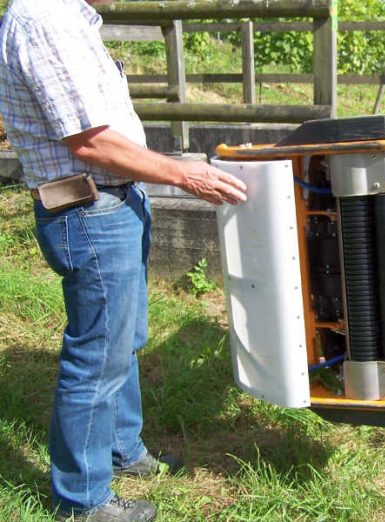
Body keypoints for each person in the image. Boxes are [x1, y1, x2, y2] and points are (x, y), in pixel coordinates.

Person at [0, 0, 247, 520]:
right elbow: (89, 140)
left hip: (110, 202)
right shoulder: (45, 18)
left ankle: (122, 451)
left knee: (122, 342)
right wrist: (183, 174)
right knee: (95, 358)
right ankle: (83, 501)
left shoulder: (70, 20)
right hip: (88, 209)